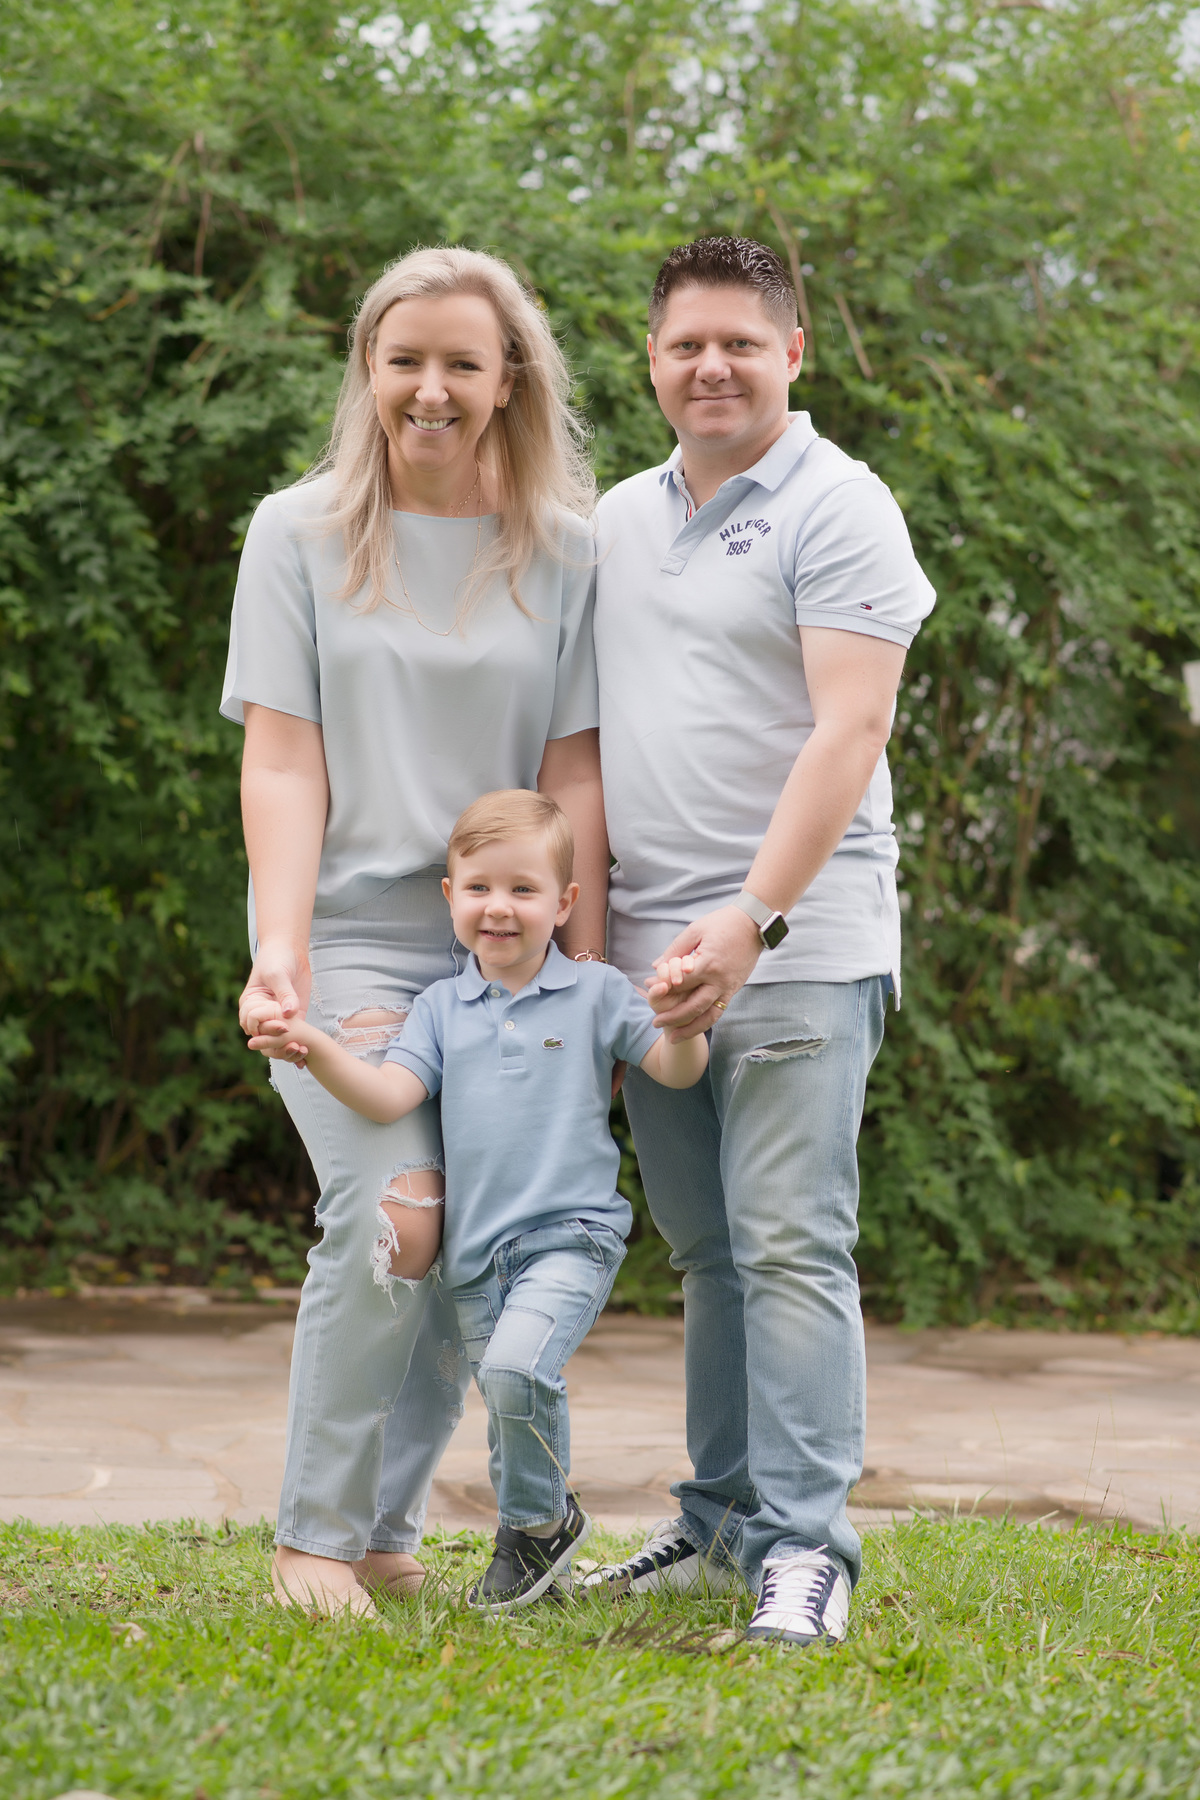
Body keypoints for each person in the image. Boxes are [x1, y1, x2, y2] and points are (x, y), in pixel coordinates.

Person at [221, 246, 610, 1617]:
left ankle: (388, 1533)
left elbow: (573, 777)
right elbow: (282, 761)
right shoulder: (300, 532)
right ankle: (313, 1540)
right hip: (351, 940)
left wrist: (587, 981)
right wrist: (281, 949)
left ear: (510, 382)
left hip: (506, 953)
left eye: (463, 363)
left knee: (481, 1235)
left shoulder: (568, 550)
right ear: (368, 371)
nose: (431, 390)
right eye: (406, 361)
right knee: (400, 1210)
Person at [582, 237, 936, 1647]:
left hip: (798, 940)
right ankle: (720, 1524)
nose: (710, 366)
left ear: (796, 352)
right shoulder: (613, 518)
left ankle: (807, 1552)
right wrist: (605, 951)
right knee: (711, 1254)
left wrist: (748, 920)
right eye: (685, 346)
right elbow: (594, 741)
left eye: (740, 342)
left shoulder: (843, 508)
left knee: (789, 1245)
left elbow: (850, 730)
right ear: (653, 364)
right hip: (651, 960)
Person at [249, 790, 707, 1610]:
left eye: (524, 890)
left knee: (515, 1369)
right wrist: (314, 1047)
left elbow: (675, 1071)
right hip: (473, 1258)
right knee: (502, 1397)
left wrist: (680, 1025)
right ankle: (535, 1537)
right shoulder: (438, 1008)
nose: (500, 907)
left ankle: (535, 1526)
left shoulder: (596, 996)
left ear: (565, 904)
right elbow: (389, 1097)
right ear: (450, 897)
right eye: (480, 888)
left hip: (569, 1236)